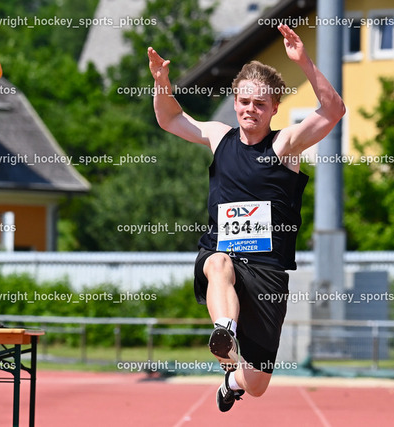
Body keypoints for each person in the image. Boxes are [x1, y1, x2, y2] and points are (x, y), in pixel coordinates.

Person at [148, 24, 345, 411]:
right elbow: (170, 119)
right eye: (243, 101)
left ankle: (232, 379)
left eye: (259, 104)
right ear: (235, 101)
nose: (249, 109)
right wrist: (161, 82)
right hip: (223, 257)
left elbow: (334, 110)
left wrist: (303, 61)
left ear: (274, 108)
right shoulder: (219, 136)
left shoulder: (286, 144)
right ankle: (224, 332)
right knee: (218, 263)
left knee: (256, 384)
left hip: (267, 272)